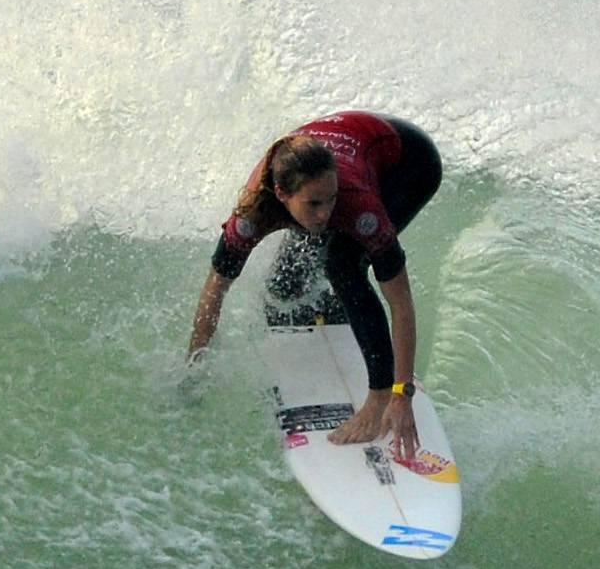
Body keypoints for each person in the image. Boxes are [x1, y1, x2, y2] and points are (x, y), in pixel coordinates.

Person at [187, 111, 442, 458]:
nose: (324, 213)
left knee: (343, 263)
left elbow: (400, 301)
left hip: (409, 161)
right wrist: (195, 363)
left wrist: (399, 392)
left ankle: (376, 398)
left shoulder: (354, 202)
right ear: (280, 193)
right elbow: (216, 286)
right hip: (347, 153)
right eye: (314, 204)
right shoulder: (252, 213)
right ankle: (335, 310)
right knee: (281, 291)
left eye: (330, 200)